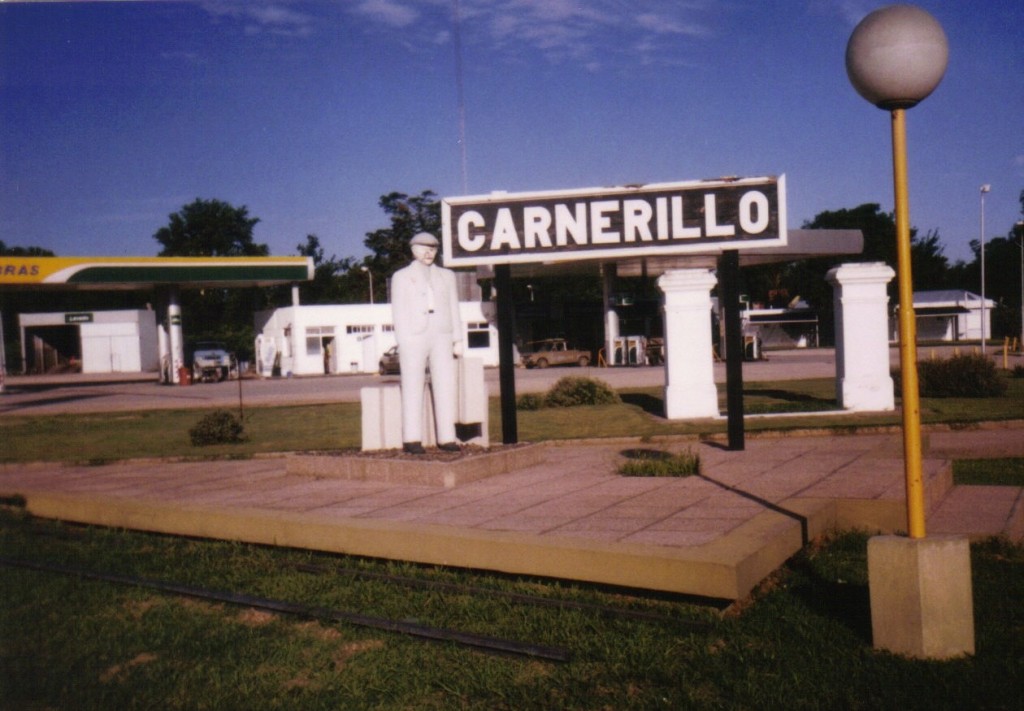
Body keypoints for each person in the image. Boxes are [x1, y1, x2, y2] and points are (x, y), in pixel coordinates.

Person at [390, 232, 463, 454]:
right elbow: (399, 310)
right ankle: (412, 438)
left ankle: (447, 437)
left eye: (433, 248)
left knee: (445, 384)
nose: (429, 252)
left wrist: (457, 338)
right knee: (412, 384)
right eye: (424, 247)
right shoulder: (401, 276)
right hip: (414, 334)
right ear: (413, 250)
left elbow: (454, 308)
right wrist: (403, 339)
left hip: (441, 332)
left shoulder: (447, 276)